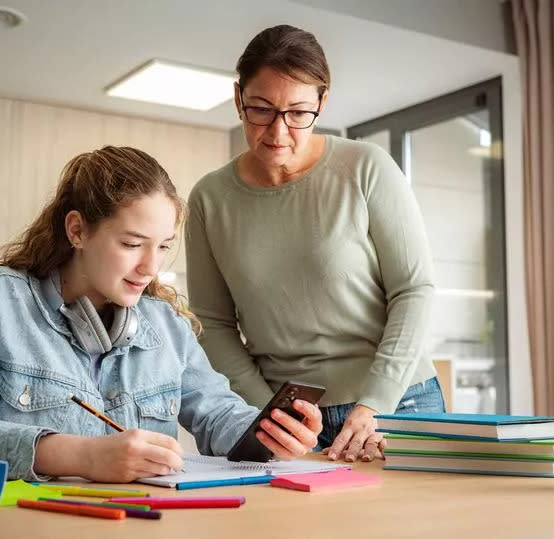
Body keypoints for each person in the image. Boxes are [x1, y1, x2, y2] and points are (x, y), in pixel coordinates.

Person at [0, 146, 321, 482]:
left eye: (162, 246)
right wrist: (79, 455)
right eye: (132, 244)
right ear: (77, 231)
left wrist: (272, 433)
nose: (151, 267)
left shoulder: (167, 325)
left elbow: (218, 414)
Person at [186, 25, 444, 464]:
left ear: (322, 104)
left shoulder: (367, 168)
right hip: (286, 420)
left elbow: (414, 290)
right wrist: (270, 414)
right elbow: (213, 322)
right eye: (261, 110)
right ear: (238, 99)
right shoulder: (210, 199)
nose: (278, 131)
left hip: (396, 405)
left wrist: (373, 403)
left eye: (299, 112)